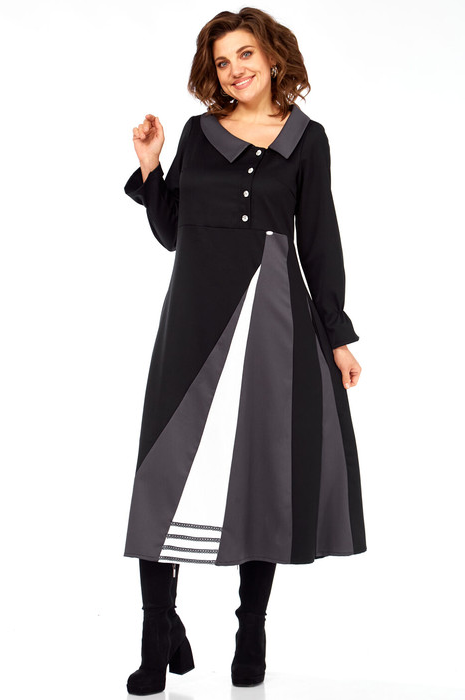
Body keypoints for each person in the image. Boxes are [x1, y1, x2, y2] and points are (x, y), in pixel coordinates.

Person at [123, 7, 367, 696]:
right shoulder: (197, 133)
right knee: (162, 469)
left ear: (274, 56)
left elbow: (320, 239)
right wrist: (151, 168)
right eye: (222, 61)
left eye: (245, 55)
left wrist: (338, 333)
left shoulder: (307, 140)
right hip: (193, 314)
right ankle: (156, 630)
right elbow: (173, 232)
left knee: (262, 470)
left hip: (274, 317)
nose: (234, 70)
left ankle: (250, 630)